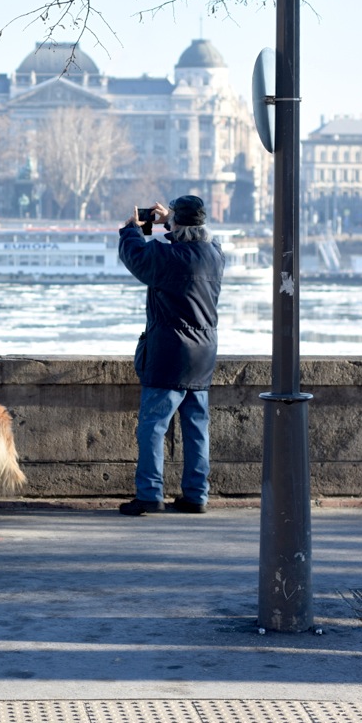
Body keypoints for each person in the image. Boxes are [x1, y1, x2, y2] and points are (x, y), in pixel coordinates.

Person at [118, 195, 225, 516]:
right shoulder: (215, 255)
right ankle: (196, 495)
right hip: (204, 353)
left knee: (153, 426)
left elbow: (136, 256)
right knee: (196, 428)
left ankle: (150, 494)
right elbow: (200, 234)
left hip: (169, 353)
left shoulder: (167, 256)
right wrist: (172, 221)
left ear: (177, 223)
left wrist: (130, 229)